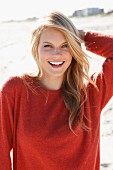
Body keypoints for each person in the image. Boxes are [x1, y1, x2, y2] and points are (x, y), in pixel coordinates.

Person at [0, 11, 113, 170]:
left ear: (73, 49)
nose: (56, 54)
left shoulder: (92, 93)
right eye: (47, 46)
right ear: (36, 49)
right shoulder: (15, 90)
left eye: (65, 45)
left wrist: (82, 36)